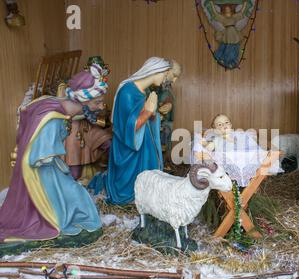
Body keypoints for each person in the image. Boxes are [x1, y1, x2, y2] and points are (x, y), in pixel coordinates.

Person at [0, 65, 108, 242]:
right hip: (40, 170)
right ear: (83, 101)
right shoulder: (53, 118)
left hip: (47, 164)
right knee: (76, 193)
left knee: (75, 188)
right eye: (96, 103)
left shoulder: (53, 104)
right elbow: (41, 154)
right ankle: (57, 218)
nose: (99, 107)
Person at [89, 57, 181, 205]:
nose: (165, 79)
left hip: (141, 144)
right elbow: (128, 127)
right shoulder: (127, 92)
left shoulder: (141, 92)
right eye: (164, 75)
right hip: (128, 148)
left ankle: (144, 193)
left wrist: (152, 114)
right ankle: (129, 194)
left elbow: (144, 118)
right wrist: (148, 111)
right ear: (155, 71)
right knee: (127, 184)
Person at [64, 56, 112, 183]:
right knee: (74, 167)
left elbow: (95, 116)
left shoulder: (89, 106)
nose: (101, 105)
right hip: (73, 132)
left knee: (107, 142)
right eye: (98, 102)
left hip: (87, 127)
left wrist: (96, 115)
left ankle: (104, 167)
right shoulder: (72, 106)